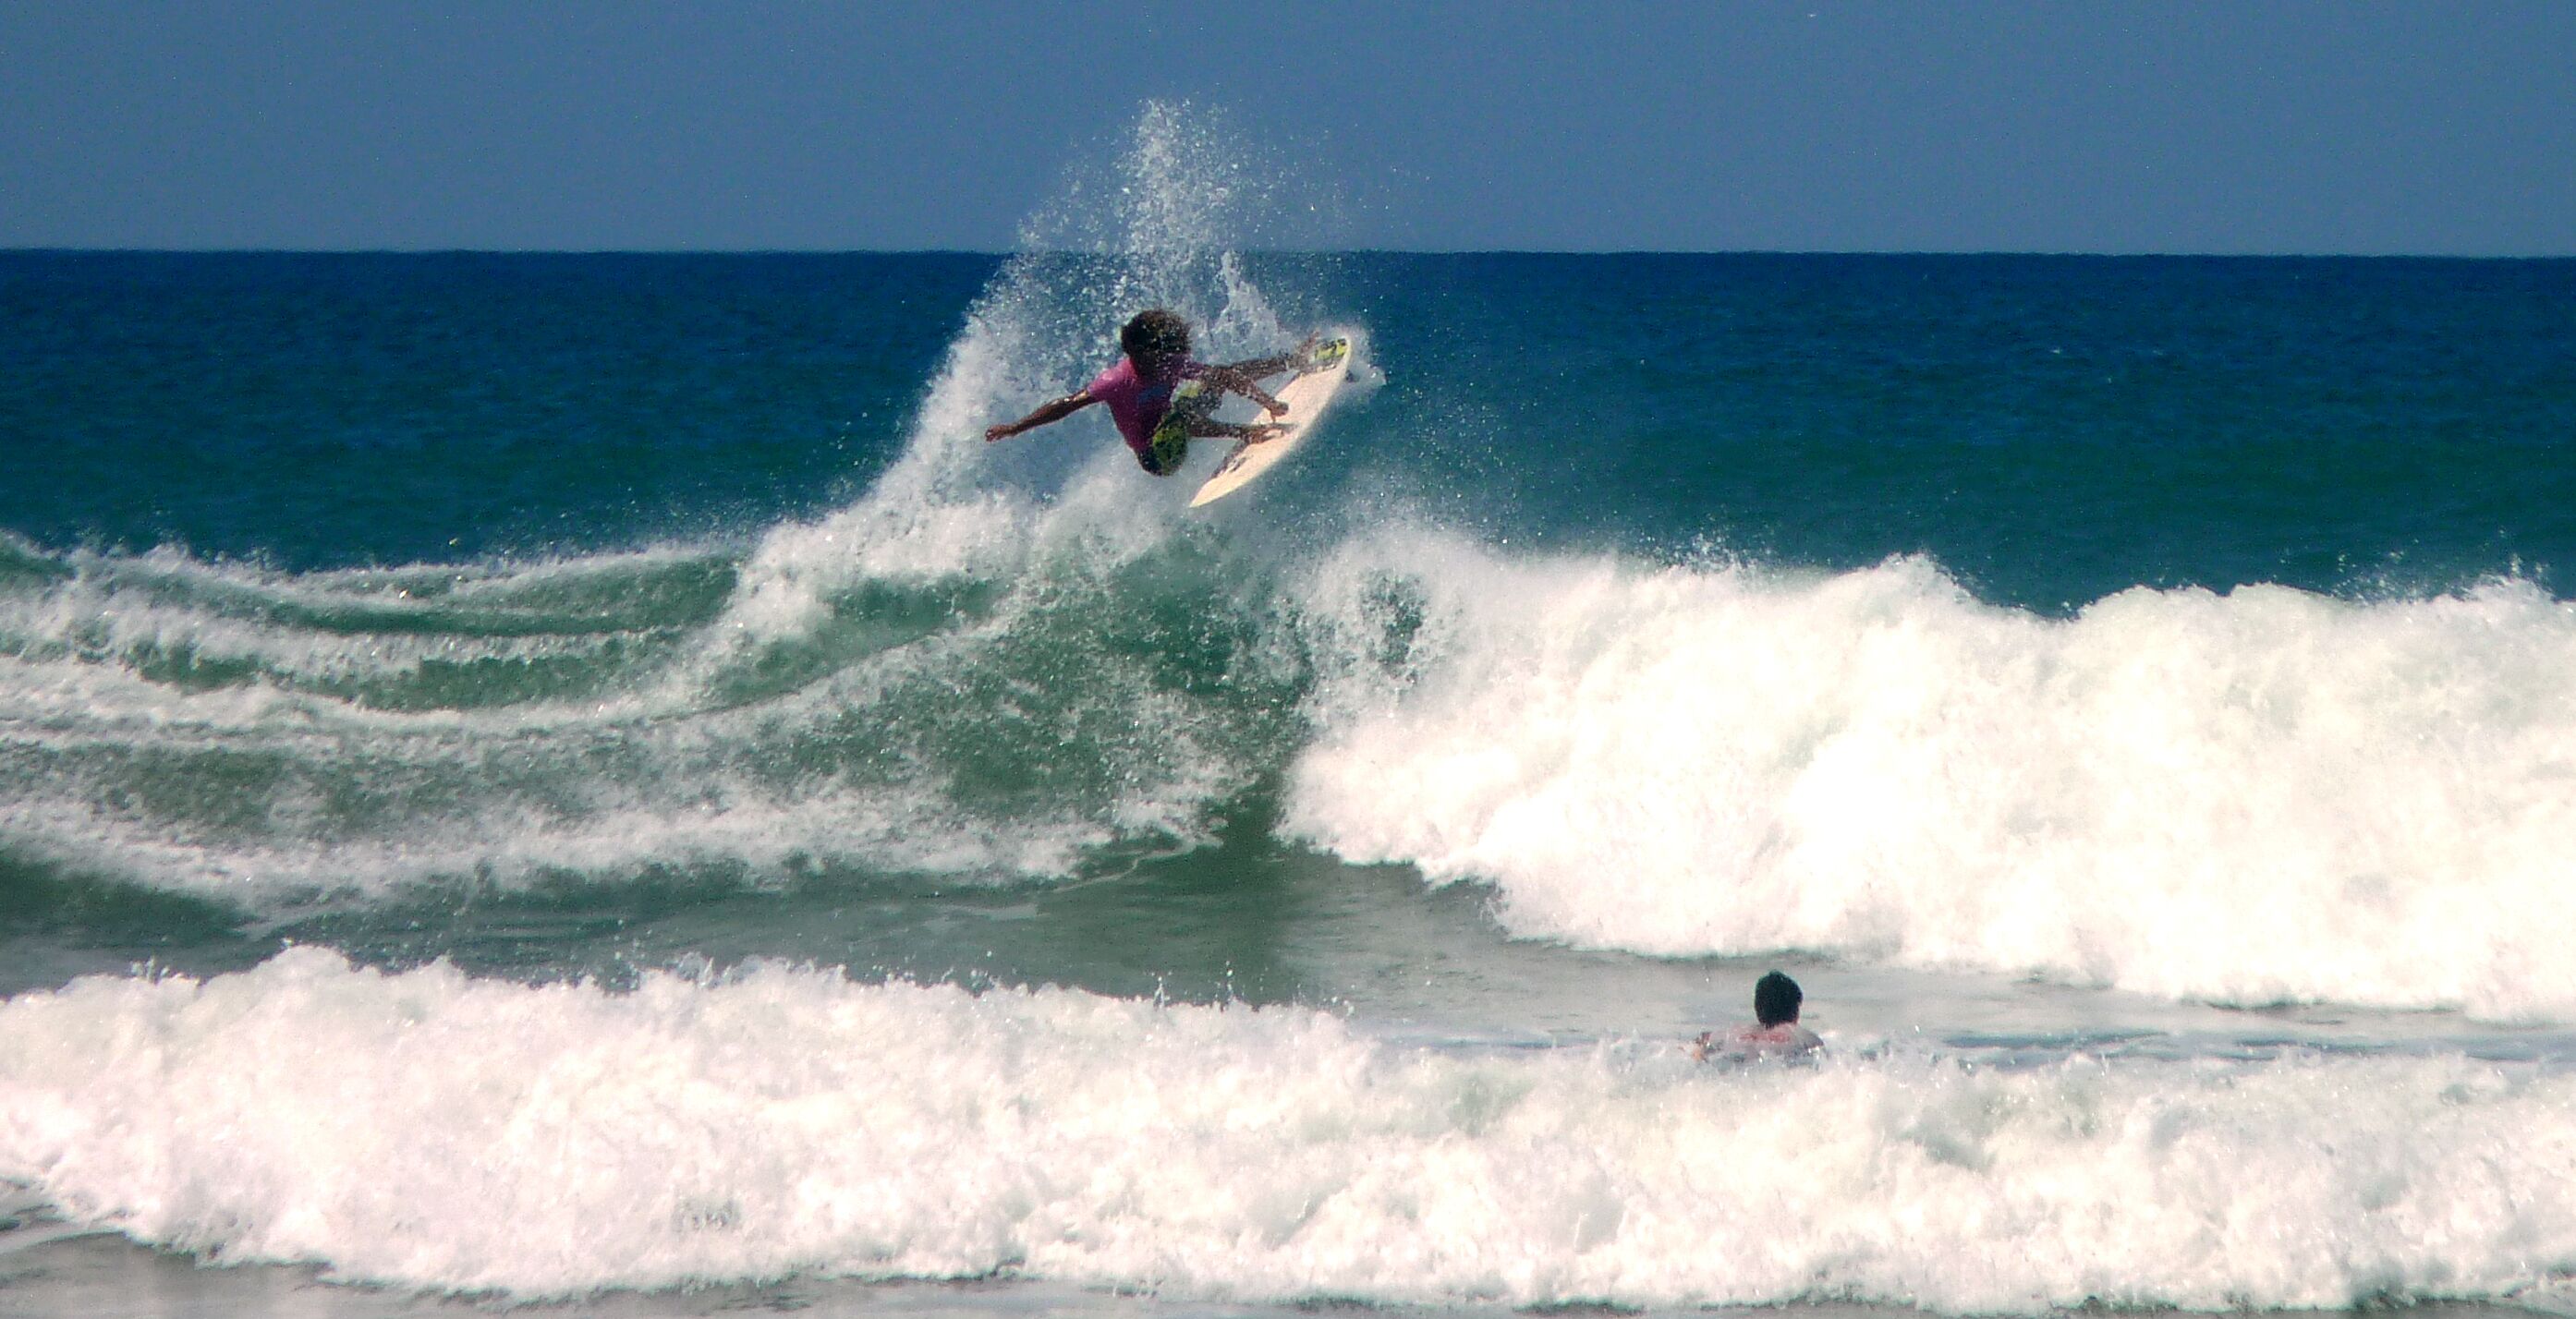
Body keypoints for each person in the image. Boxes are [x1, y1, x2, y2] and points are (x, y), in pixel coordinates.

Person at [984, 309, 1313, 477]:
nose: (1168, 362)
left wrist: (1265, 400)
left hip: (1177, 425)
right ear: (1137, 352)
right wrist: (1014, 428)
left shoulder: (1170, 363)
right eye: (1160, 355)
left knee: (1221, 374)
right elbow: (1064, 406)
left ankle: (1292, 360)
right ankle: (1245, 433)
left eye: (1171, 354)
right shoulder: (1115, 382)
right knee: (1180, 415)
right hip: (1156, 457)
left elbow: (1222, 376)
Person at [1690, 970, 1823, 1061]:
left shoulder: (1729, 1034)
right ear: (1795, 1010)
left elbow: (1698, 1048)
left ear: (1757, 1007)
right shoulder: (1806, 1038)